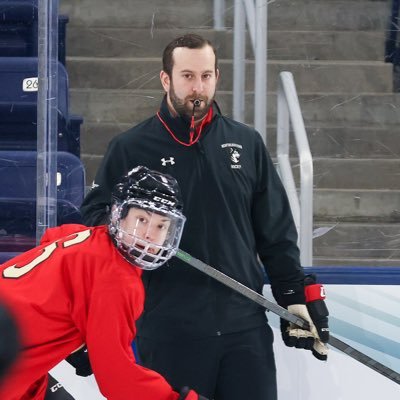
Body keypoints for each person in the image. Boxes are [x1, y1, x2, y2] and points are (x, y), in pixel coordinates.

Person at [80, 34, 329, 400]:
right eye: (187, 76)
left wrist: (292, 295)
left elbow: (275, 231)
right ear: (166, 80)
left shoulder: (246, 143)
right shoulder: (131, 148)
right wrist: (130, 227)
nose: (197, 87)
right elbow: (94, 224)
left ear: (217, 77)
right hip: (167, 332)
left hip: (244, 331)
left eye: (206, 76)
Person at [0, 166, 208, 400]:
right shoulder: (116, 278)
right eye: (142, 219)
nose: (150, 234)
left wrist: (77, 343)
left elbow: (53, 239)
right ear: (119, 215)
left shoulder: (85, 237)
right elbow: (118, 380)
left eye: (161, 226)